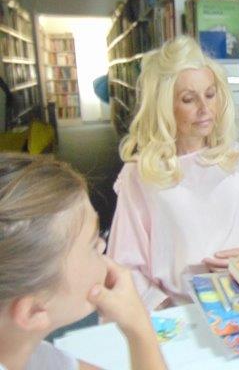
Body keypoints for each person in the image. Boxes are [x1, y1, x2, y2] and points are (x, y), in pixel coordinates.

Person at [107, 36, 239, 310]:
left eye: (210, 95)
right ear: (164, 105)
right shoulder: (142, 174)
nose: (204, 109)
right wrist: (163, 308)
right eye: (188, 99)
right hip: (178, 309)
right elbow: (124, 263)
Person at [0, 153, 165, 370]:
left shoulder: (30, 355)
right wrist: (139, 327)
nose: (103, 246)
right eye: (92, 243)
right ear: (33, 311)